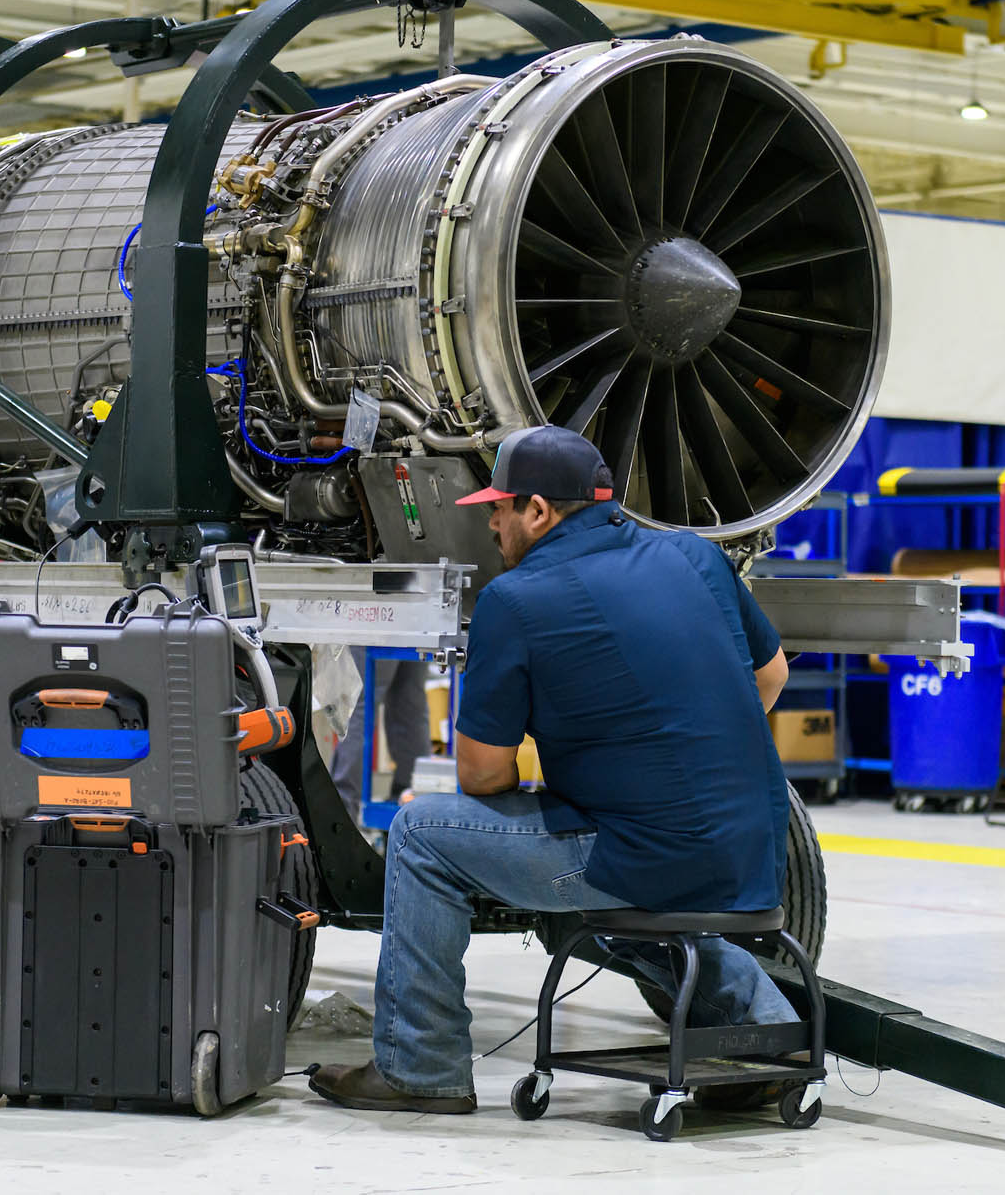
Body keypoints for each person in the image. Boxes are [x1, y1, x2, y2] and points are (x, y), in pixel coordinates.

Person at [310, 425, 797, 1115]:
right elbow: (771, 674)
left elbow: (481, 777)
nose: (493, 524)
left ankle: (421, 1065)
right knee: (631, 881)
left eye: (498, 509)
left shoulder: (517, 598)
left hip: (642, 852)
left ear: (539, 511)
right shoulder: (695, 555)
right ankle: (767, 1026)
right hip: (752, 846)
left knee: (422, 832)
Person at [330, 649, 433, 819]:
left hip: (377, 623)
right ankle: (412, 802)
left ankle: (342, 812)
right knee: (410, 705)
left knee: (360, 703)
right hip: (420, 625)